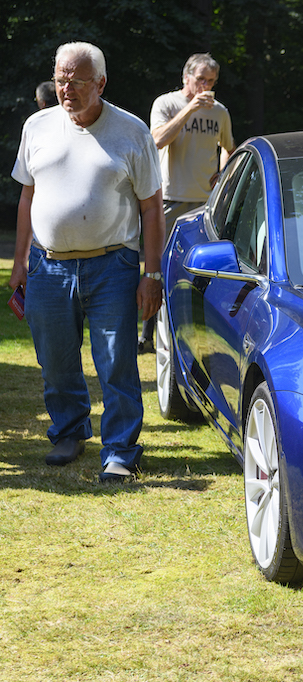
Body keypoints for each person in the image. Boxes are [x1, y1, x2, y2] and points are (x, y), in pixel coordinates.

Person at [9, 42, 163, 482]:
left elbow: (153, 207)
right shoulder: (37, 126)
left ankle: (120, 450)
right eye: (60, 78)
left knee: (116, 361)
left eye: (76, 80)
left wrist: (151, 274)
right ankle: (69, 431)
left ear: (101, 83)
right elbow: (27, 194)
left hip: (112, 265)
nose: (65, 89)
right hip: (48, 265)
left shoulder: (132, 132)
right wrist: (20, 261)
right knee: (55, 360)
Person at [142, 53, 235, 352]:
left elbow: (229, 148)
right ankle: (146, 331)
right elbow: (156, 140)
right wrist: (191, 109)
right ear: (186, 78)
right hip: (169, 197)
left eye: (211, 81)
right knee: (158, 265)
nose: (205, 86)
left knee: (199, 270)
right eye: (200, 80)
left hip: (206, 202)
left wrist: (223, 172)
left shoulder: (220, 112)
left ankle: (192, 332)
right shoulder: (167, 104)